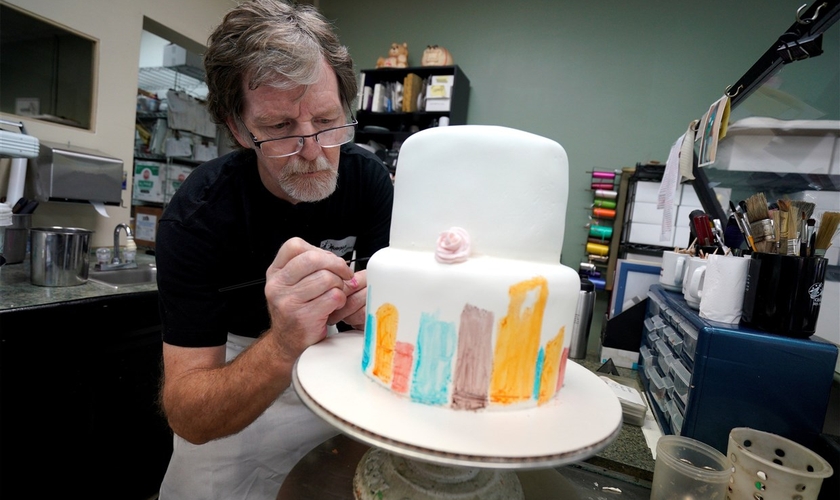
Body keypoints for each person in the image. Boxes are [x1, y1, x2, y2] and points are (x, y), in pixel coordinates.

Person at [155, 1, 394, 498]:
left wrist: (378, 312)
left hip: (330, 395)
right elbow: (190, 416)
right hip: (232, 396)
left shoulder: (368, 181)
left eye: (328, 119)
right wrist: (285, 341)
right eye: (281, 128)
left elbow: (385, 335)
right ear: (240, 129)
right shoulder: (198, 214)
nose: (312, 150)